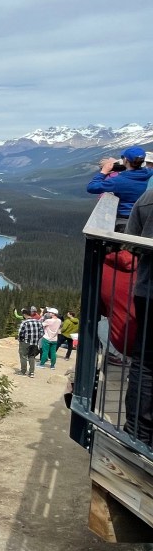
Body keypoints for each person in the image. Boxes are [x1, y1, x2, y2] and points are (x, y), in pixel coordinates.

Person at [123, 188, 153, 444]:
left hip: (148, 290)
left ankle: (137, 433)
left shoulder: (148, 198)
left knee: (145, 363)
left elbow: (133, 242)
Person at [87, 145, 153, 231]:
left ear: (125, 160)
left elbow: (91, 187)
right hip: (147, 218)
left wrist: (103, 172)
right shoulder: (150, 174)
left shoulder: (118, 181)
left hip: (125, 218)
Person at [17, 308, 44, 378]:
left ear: (24, 315)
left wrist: (20, 340)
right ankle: (31, 372)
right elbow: (42, 332)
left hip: (25, 342)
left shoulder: (24, 322)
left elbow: (20, 333)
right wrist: (37, 338)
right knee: (32, 356)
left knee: (23, 356)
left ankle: (23, 371)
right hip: (35, 342)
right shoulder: (38, 322)